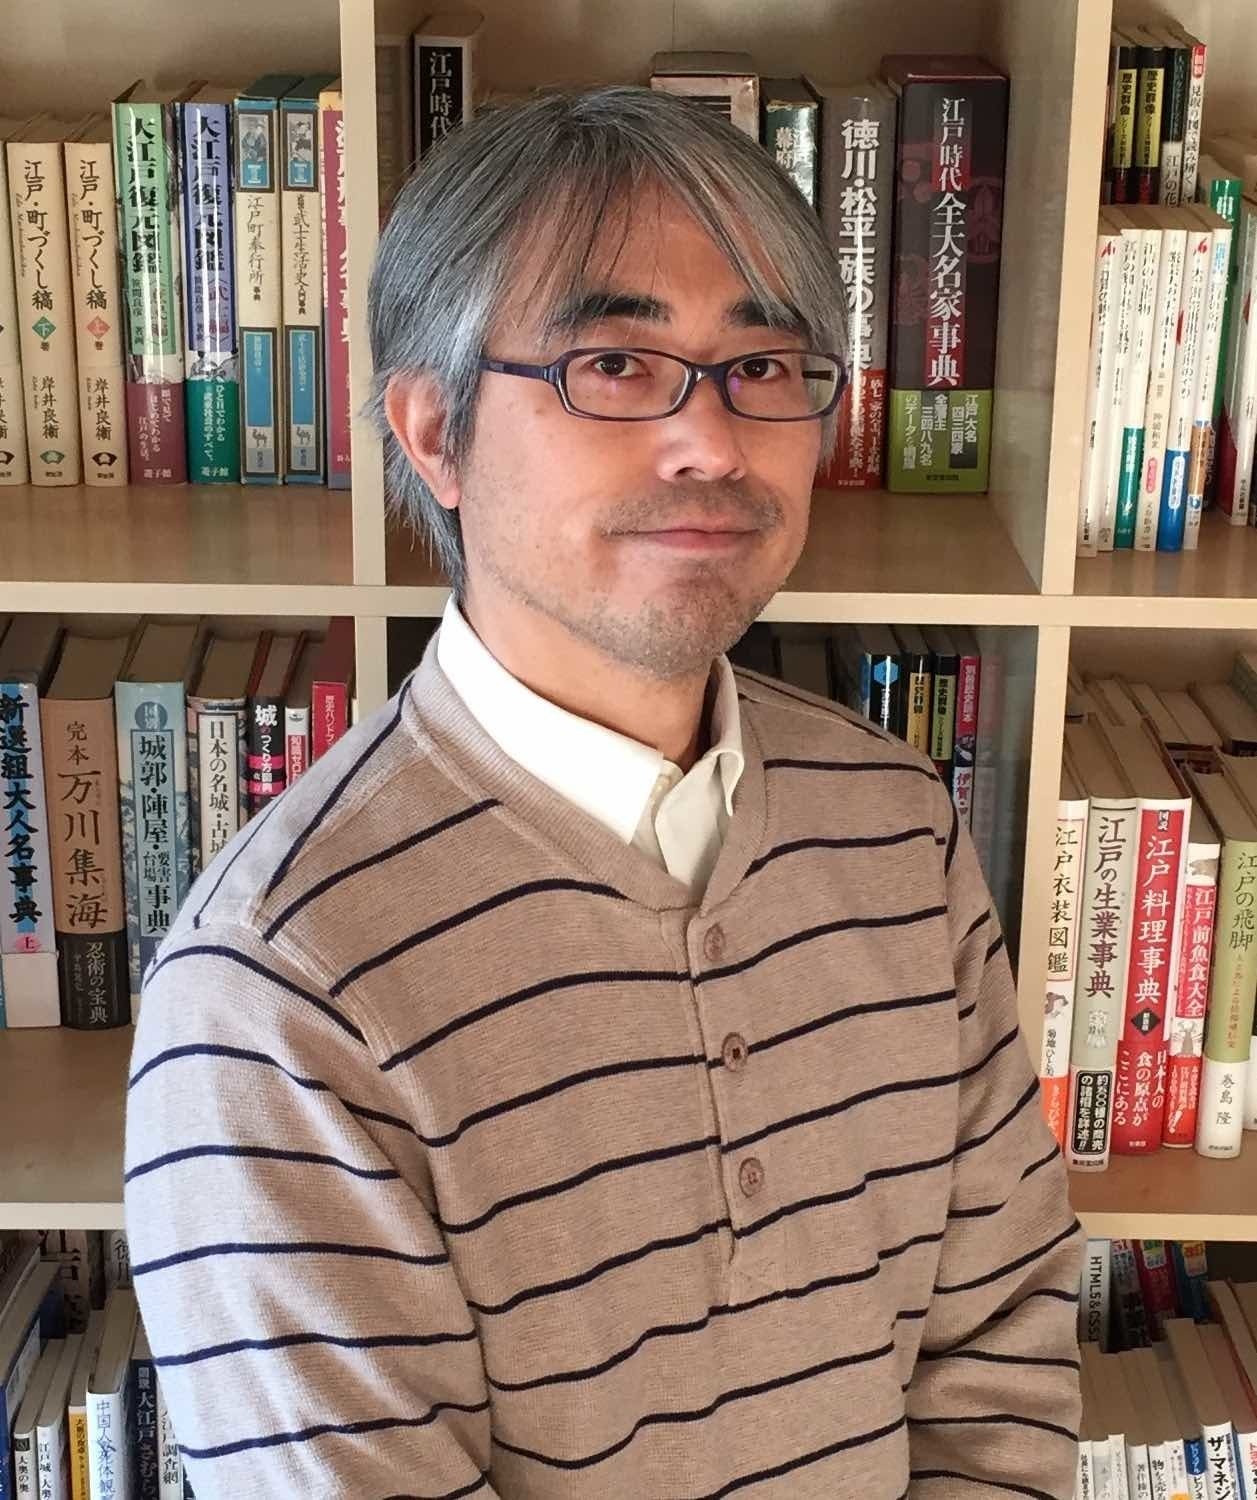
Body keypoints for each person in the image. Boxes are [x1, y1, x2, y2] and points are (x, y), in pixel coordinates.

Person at [126, 84, 1083, 1498]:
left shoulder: (896, 826)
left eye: (764, 365)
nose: (713, 441)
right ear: (435, 434)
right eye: (616, 365)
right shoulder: (276, 995)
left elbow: (999, 1365)